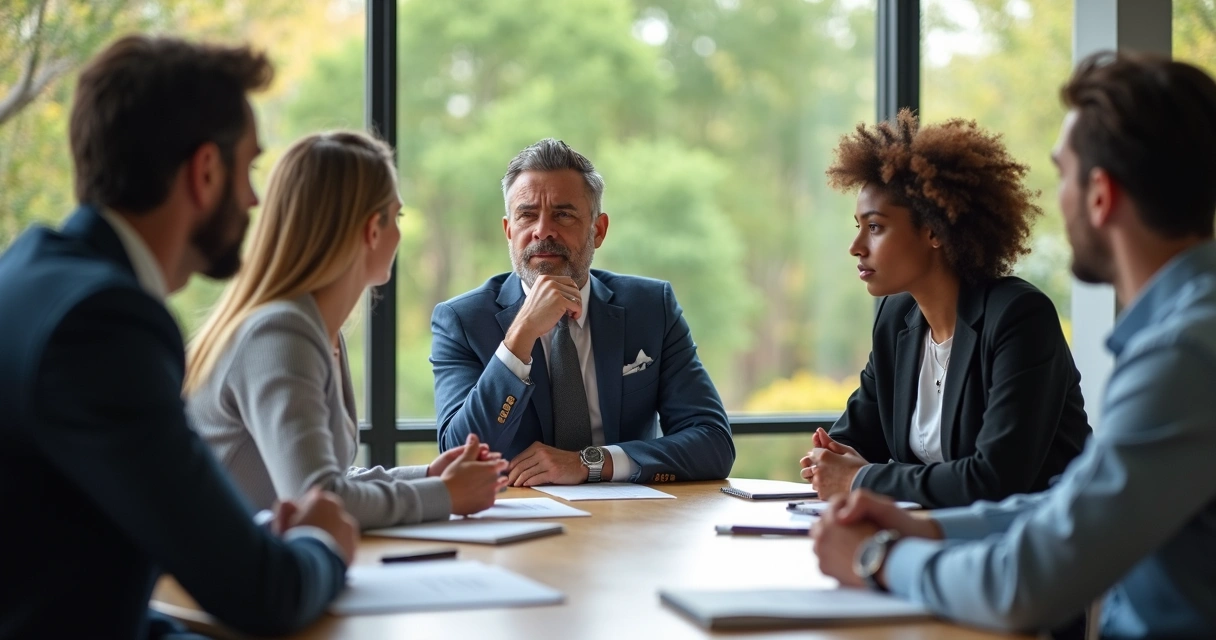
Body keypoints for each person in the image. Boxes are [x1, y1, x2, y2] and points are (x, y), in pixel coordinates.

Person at [810, 51, 1216, 638]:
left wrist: (877, 558)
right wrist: (928, 528)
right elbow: (1071, 506)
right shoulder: (1181, 333)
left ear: (1099, 195)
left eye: (1063, 173)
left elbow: (1024, 584)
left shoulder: (1182, 355)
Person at [0, 36, 359, 638]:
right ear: (205, 171)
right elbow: (262, 594)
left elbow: (71, 580)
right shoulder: (103, 324)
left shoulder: (28, 273)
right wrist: (322, 543)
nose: (251, 199)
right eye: (247, 170)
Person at [185, 131, 507, 529]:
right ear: (373, 229)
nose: (400, 233)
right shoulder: (280, 334)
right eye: (398, 216)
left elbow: (325, 479)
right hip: (218, 583)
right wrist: (445, 495)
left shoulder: (314, 329)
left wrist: (429, 477)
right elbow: (318, 499)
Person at [799, 110, 1091, 508]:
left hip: (1035, 550)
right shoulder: (895, 320)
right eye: (858, 227)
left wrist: (862, 478)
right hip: (929, 539)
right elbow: (853, 439)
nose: (856, 247)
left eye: (876, 227)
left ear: (934, 230)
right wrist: (829, 459)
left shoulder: (1019, 318)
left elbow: (994, 479)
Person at [430, 138, 735, 486]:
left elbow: (713, 442)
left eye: (563, 214)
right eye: (527, 215)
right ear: (508, 230)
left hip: (630, 523)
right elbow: (459, 455)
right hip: (517, 520)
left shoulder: (651, 308)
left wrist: (592, 462)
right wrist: (521, 334)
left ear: (598, 230)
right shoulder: (462, 321)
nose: (542, 230)